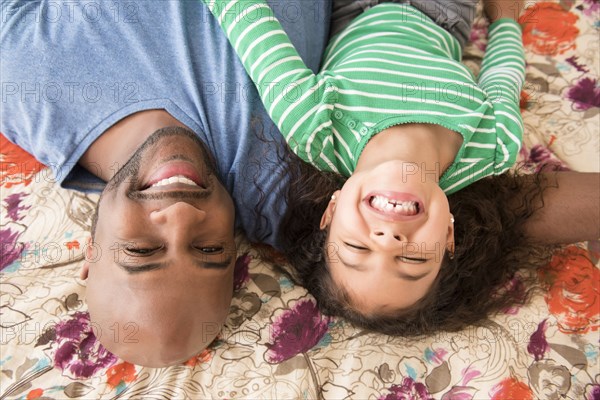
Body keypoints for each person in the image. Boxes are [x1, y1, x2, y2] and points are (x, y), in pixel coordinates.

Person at [203, 0, 600, 334]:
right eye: (412, 260)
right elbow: (503, 73)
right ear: (448, 235)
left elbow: (248, 20)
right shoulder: (494, 144)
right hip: (444, 13)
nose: (388, 241)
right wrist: (506, 20)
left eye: (358, 247)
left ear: (332, 210)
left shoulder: (313, 126)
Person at [0, 0, 333, 367]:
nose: (180, 214)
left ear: (91, 254)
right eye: (209, 250)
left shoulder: (22, 80)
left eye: (141, 251)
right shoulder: (281, 192)